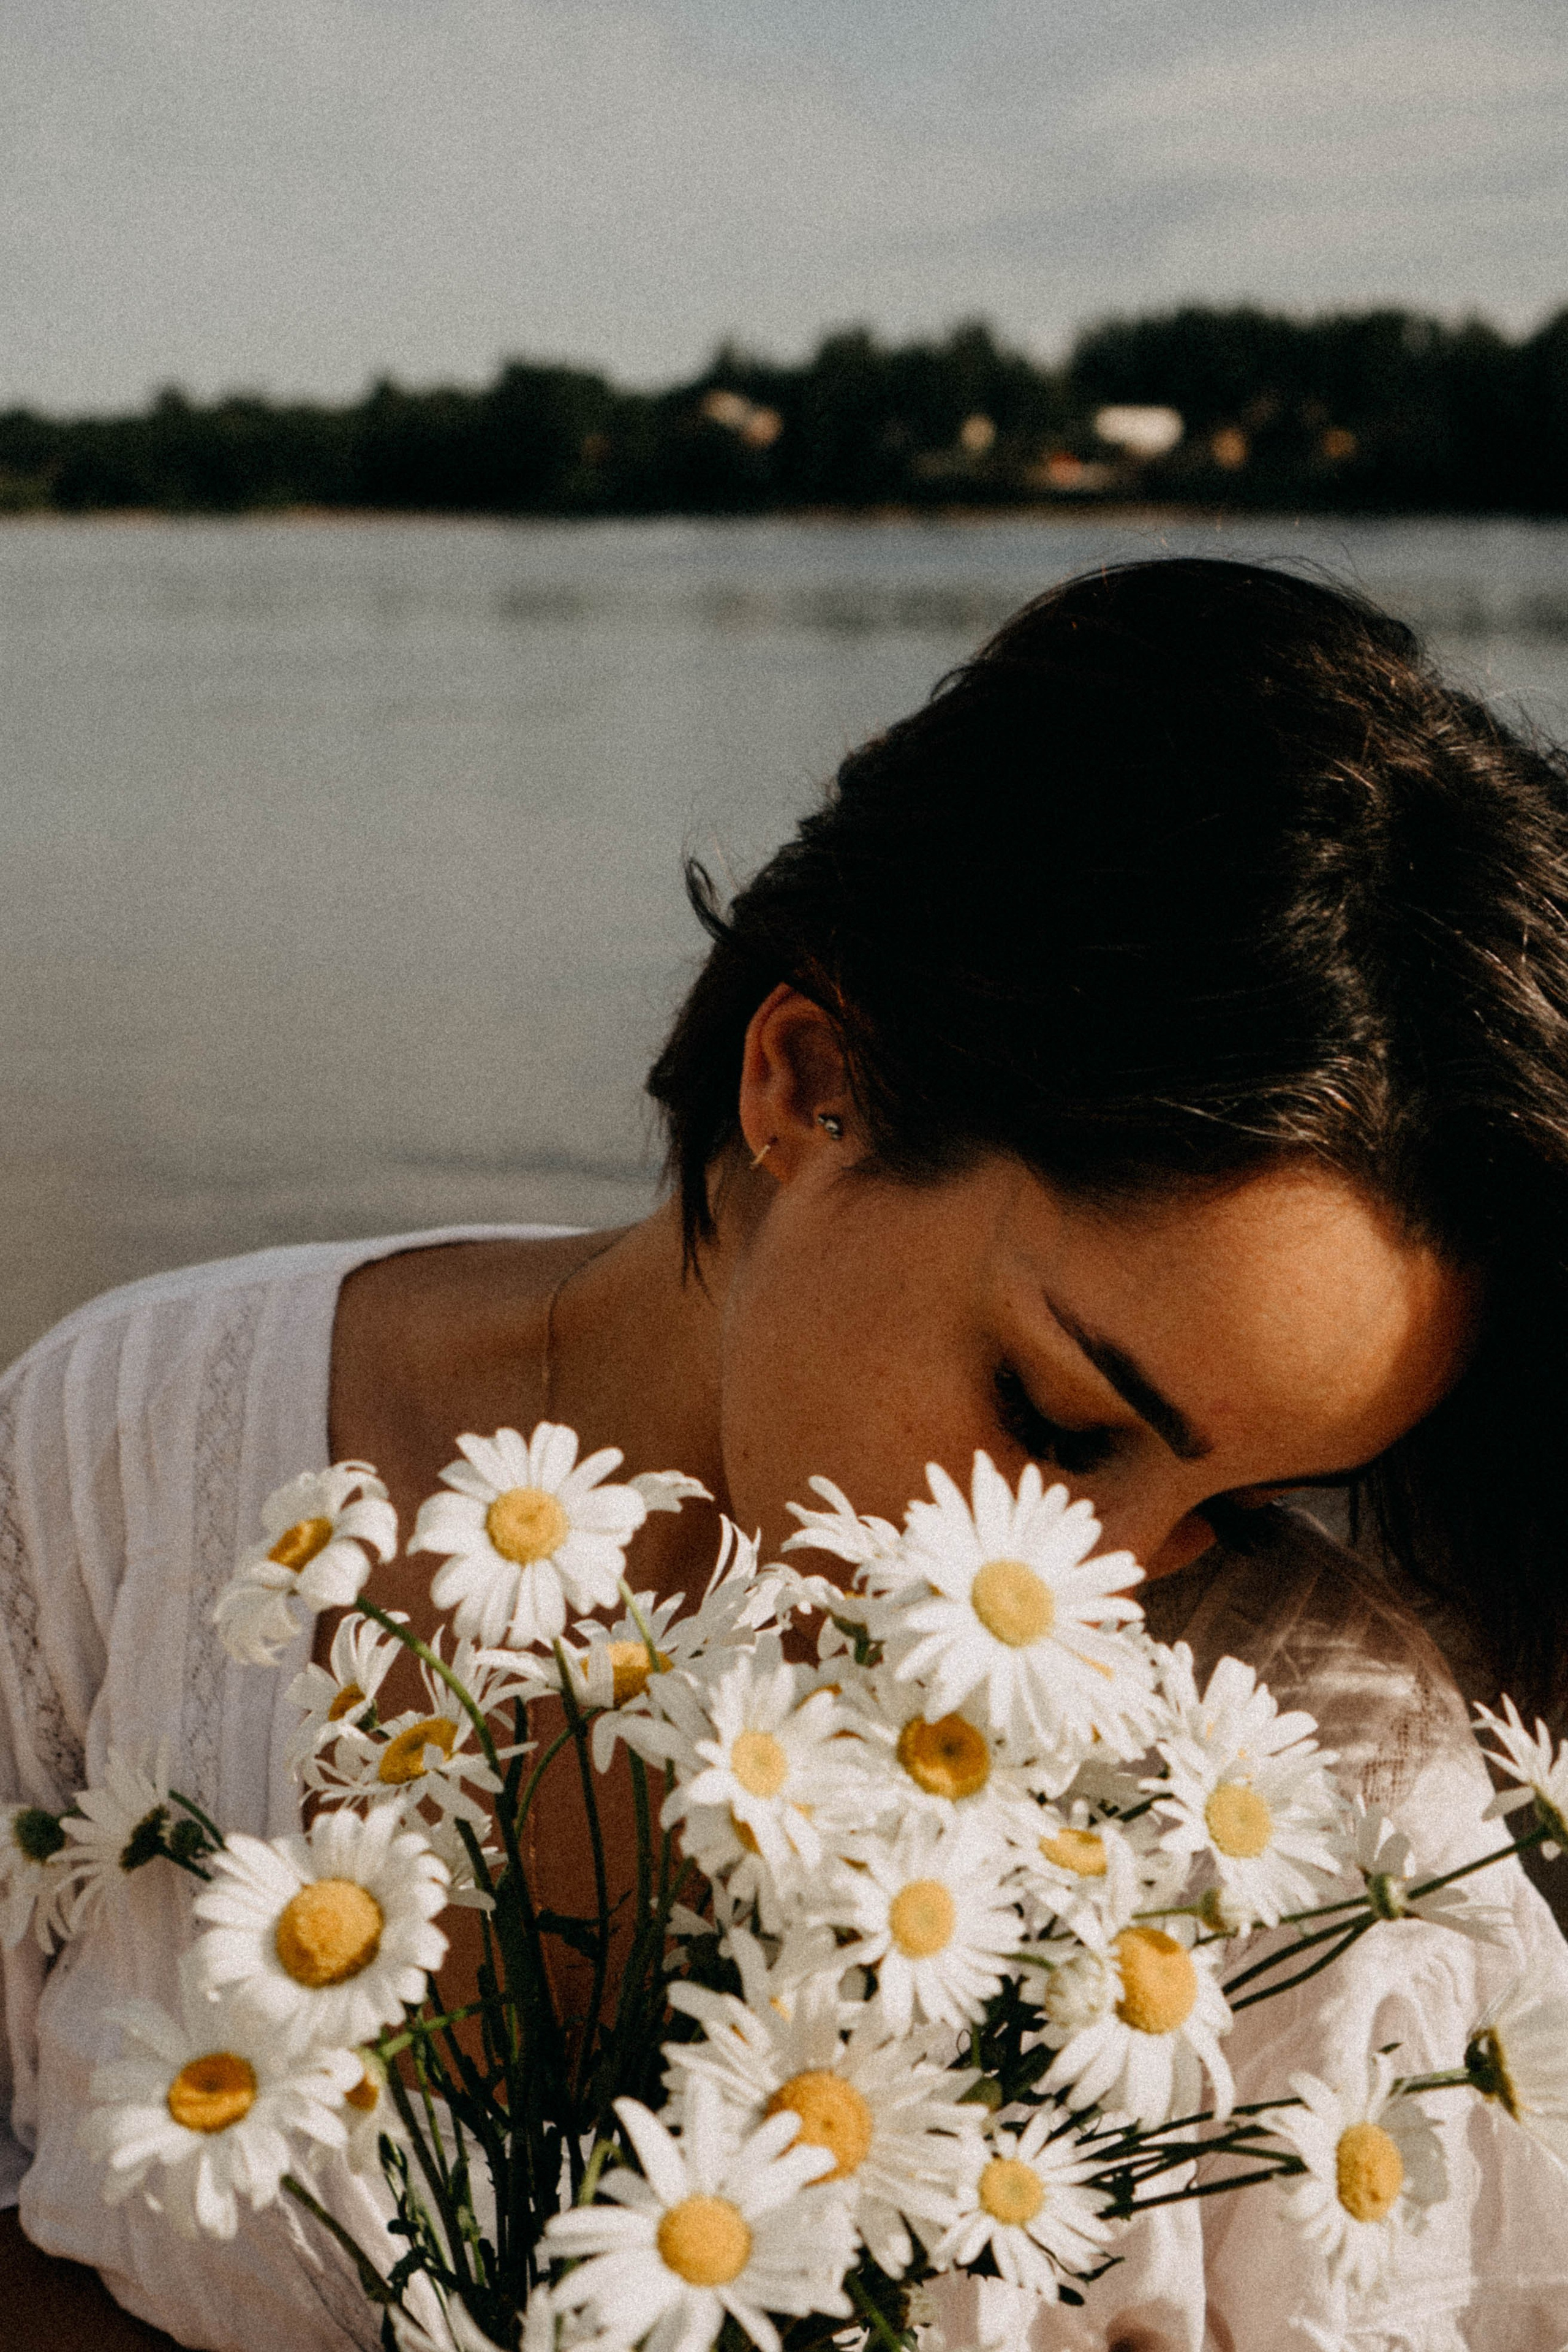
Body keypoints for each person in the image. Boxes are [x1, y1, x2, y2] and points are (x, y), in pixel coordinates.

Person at [4, 556, 1568, 2350]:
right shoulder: (141, 1450)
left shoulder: (1315, 1793)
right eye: (1061, 1422)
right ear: (810, 1081)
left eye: (1246, 1497)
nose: (1093, 1587)